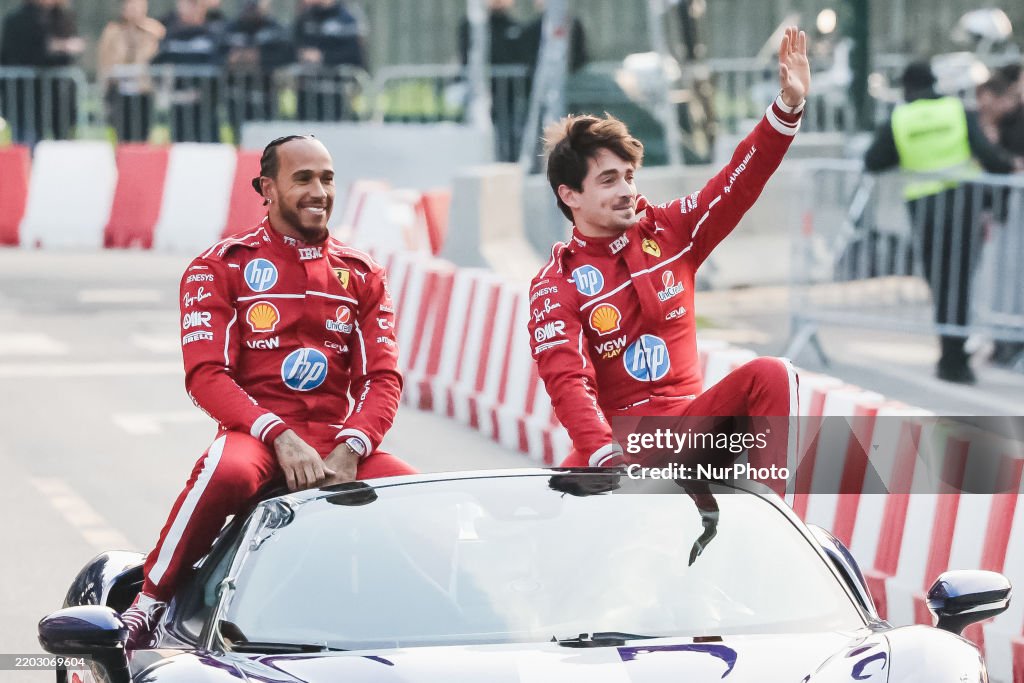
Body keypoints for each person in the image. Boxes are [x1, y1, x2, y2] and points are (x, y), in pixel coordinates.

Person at [120, 135, 417, 649]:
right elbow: (206, 374)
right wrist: (277, 434)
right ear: (267, 188)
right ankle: (148, 602)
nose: (319, 191)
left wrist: (353, 447)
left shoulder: (363, 273)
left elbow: (382, 380)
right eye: (302, 179)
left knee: (420, 498)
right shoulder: (220, 266)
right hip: (256, 435)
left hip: (336, 441)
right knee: (227, 469)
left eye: (326, 179)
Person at [526, 27, 810, 492]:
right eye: (609, 180)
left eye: (630, 176)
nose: (626, 190)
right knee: (546, 512)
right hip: (616, 447)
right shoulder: (555, 283)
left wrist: (788, 108)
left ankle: (768, 514)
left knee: (772, 373)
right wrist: (605, 458)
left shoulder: (670, 230)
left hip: (692, 432)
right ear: (570, 194)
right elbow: (569, 383)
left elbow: (739, 180)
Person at [864, 61, 1020, 383]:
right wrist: (1009, 166)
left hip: (925, 210)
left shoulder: (900, 118)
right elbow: (988, 156)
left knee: (940, 283)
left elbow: (874, 161)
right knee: (960, 282)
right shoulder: (955, 110)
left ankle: (949, 353)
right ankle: (955, 357)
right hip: (965, 204)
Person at [458, 0, 535, 160]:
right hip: (483, 93)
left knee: (511, 133)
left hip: (510, 95)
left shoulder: (516, 27)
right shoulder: (471, 26)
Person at [0, 0, 83, 143]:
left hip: (58, 101)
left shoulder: (63, 17)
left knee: (62, 146)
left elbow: (68, 55)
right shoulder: (18, 19)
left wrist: (56, 48)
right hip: (25, 100)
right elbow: (20, 53)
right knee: (27, 144)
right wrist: (55, 47)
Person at [152, 0, 223, 142]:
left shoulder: (214, 33)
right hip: (179, 107)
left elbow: (220, 65)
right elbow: (158, 65)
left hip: (206, 107)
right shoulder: (170, 34)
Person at [222, 0, 294, 140]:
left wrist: (259, 57)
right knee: (239, 139)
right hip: (237, 96)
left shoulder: (275, 29)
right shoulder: (231, 28)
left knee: (267, 141)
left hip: (265, 95)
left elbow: (288, 54)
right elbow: (217, 55)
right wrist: (231, 58)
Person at [97, 0, 165, 142]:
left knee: (143, 135)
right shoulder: (113, 31)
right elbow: (105, 60)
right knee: (121, 135)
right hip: (119, 90)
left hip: (143, 91)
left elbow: (156, 55)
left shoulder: (152, 30)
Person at [293, 0, 367, 121]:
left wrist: (322, 57)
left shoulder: (346, 18)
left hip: (336, 93)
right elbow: (292, 46)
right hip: (307, 94)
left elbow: (355, 54)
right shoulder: (305, 18)